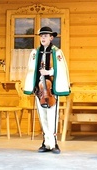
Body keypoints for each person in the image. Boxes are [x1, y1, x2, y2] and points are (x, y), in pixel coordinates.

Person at [24, 26, 70, 154]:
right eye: (41, 36)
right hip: (39, 88)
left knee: (52, 116)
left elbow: (61, 69)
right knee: (42, 116)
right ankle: (45, 141)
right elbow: (30, 68)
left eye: (46, 36)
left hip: (51, 88)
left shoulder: (57, 52)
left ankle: (53, 142)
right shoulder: (35, 52)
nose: (43, 38)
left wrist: (48, 71)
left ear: (51, 38)